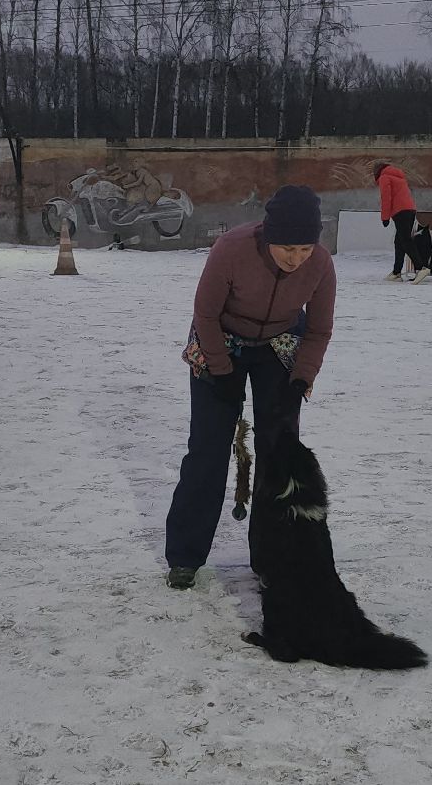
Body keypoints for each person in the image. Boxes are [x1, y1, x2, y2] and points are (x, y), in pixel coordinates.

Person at [164, 185, 336, 590]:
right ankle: (185, 556)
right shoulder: (232, 248)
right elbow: (205, 314)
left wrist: (301, 379)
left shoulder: (321, 265)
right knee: (208, 448)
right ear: (268, 236)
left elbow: (319, 330)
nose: (296, 260)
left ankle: (271, 557)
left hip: (279, 343)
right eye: (286, 249)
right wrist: (222, 373)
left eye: (305, 250)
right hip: (220, 337)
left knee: (278, 453)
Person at [374, 160, 418, 281]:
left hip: (400, 212)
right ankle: (396, 272)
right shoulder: (399, 177)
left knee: (405, 241)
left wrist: (385, 218)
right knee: (399, 242)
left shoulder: (385, 177)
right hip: (410, 210)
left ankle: (421, 267)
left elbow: (386, 198)